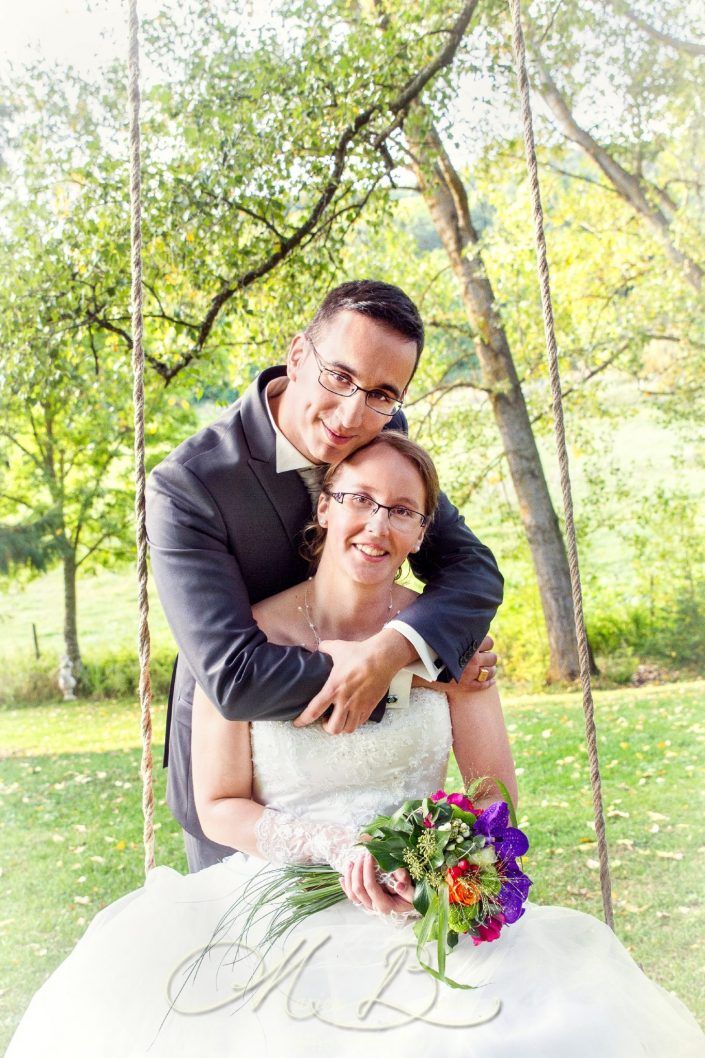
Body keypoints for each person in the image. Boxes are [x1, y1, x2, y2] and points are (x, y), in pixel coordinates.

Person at [7, 435, 705, 1058]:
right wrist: (336, 848)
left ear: (422, 531)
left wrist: (437, 855)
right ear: (323, 508)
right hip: (282, 897)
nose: (377, 525)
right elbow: (219, 805)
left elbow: (494, 794)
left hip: (420, 901)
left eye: (402, 511)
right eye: (360, 500)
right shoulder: (244, 639)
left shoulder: (449, 644)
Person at [145, 279, 504, 872]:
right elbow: (233, 678)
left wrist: (395, 645)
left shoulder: (381, 435)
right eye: (339, 377)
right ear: (297, 355)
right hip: (249, 769)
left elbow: (472, 570)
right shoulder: (189, 486)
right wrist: (405, 671)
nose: (351, 415)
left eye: (383, 394)